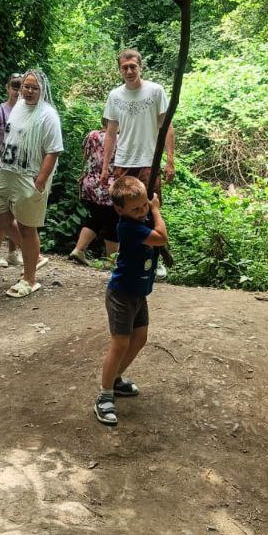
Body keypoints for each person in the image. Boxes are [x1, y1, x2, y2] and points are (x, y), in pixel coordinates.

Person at [93, 175, 168, 427]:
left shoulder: (139, 219)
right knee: (120, 343)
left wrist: (149, 209)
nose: (142, 211)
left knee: (140, 338)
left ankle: (115, 379)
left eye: (144, 205)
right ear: (120, 210)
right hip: (122, 294)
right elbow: (161, 237)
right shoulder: (129, 227)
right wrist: (155, 210)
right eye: (135, 209)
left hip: (138, 293)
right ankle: (104, 395)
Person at [100, 48, 175, 278]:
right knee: (123, 209)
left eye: (133, 66)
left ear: (140, 67)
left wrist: (170, 160)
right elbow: (111, 133)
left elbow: (167, 126)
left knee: (150, 207)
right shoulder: (115, 96)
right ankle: (127, 257)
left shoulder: (155, 91)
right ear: (119, 70)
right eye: (125, 67)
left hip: (149, 159)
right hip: (124, 160)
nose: (129, 71)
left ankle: (155, 257)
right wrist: (105, 166)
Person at [0, 68, 62, 299]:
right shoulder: (18, 107)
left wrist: (40, 182)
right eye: (26, 86)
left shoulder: (48, 115)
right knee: (0, 218)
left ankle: (29, 279)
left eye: (34, 88)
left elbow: (53, 151)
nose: (29, 91)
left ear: (42, 90)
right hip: (6, 171)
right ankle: (35, 256)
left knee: (26, 227)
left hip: (29, 176)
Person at [0, 74, 23, 267]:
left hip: (20, 169)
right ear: (8, 88)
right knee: (2, 212)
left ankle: (13, 252)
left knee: (16, 212)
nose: (17, 91)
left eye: (20, 87)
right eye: (14, 86)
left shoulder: (27, 112)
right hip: (3, 167)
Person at [68, 122, 118, 266]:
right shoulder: (118, 138)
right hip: (108, 184)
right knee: (113, 221)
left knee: (95, 217)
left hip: (90, 183)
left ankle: (79, 249)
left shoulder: (92, 135)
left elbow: (85, 154)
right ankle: (112, 261)